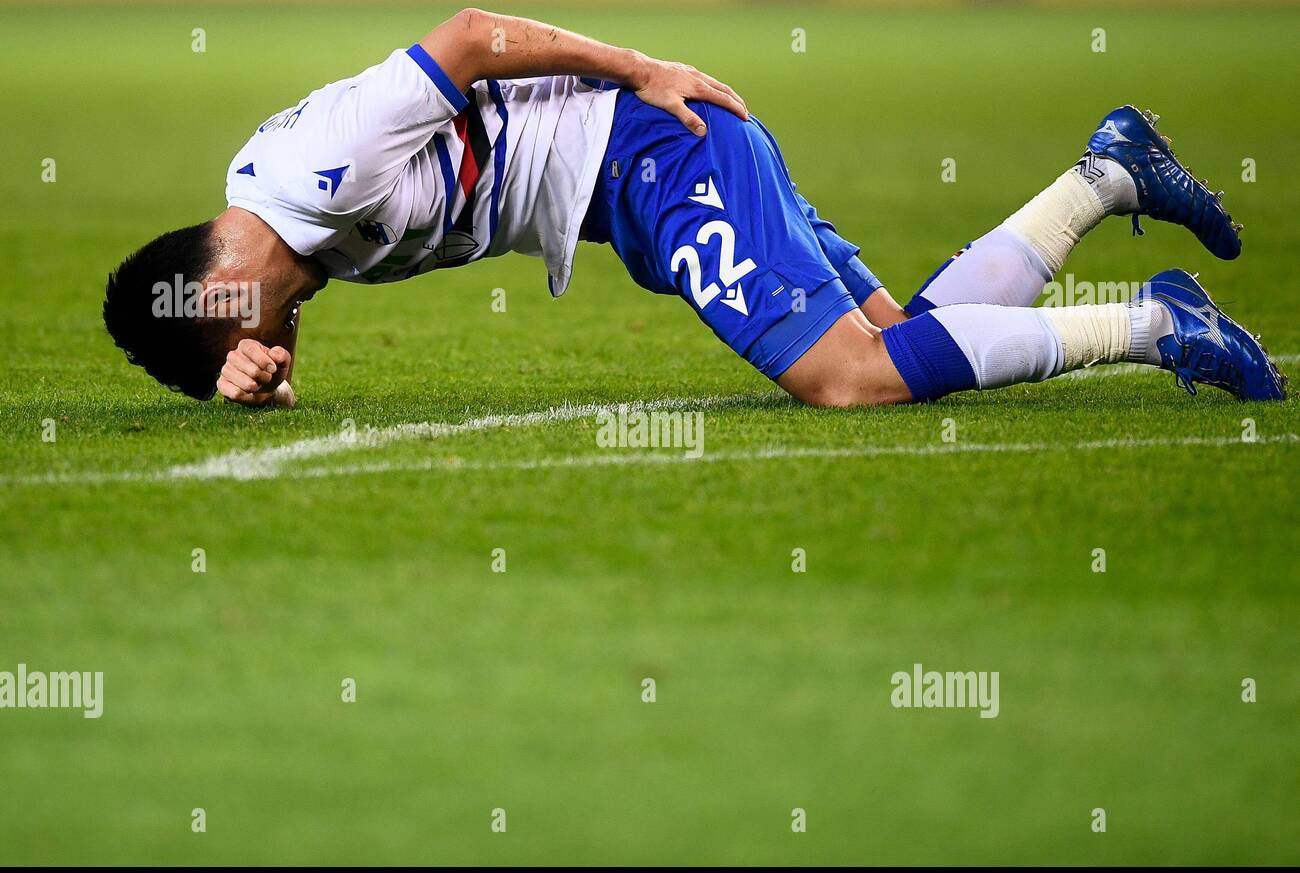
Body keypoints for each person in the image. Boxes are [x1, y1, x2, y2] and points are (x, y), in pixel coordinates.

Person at [102, 8, 1285, 409]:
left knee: (843, 378)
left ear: (215, 285)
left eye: (238, 335)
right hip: (647, 182)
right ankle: (1107, 175)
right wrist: (261, 375)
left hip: (656, 154)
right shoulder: (284, 242)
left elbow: (466, 36)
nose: (265, 346)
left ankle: (1153, 326)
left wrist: (639, 69)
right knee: (902, 345)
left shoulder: (317, 166)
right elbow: (276, 313)